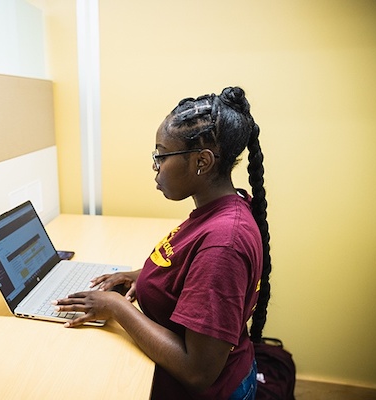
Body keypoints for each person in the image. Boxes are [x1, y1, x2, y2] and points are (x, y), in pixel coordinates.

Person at [54, 86, 272, 400]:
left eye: (161, 155)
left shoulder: (224, 244)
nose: (155, 167)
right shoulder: (221, 209)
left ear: (202, 161)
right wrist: (142, 276)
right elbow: (190, 266)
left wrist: (115, 307)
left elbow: (196, 372)